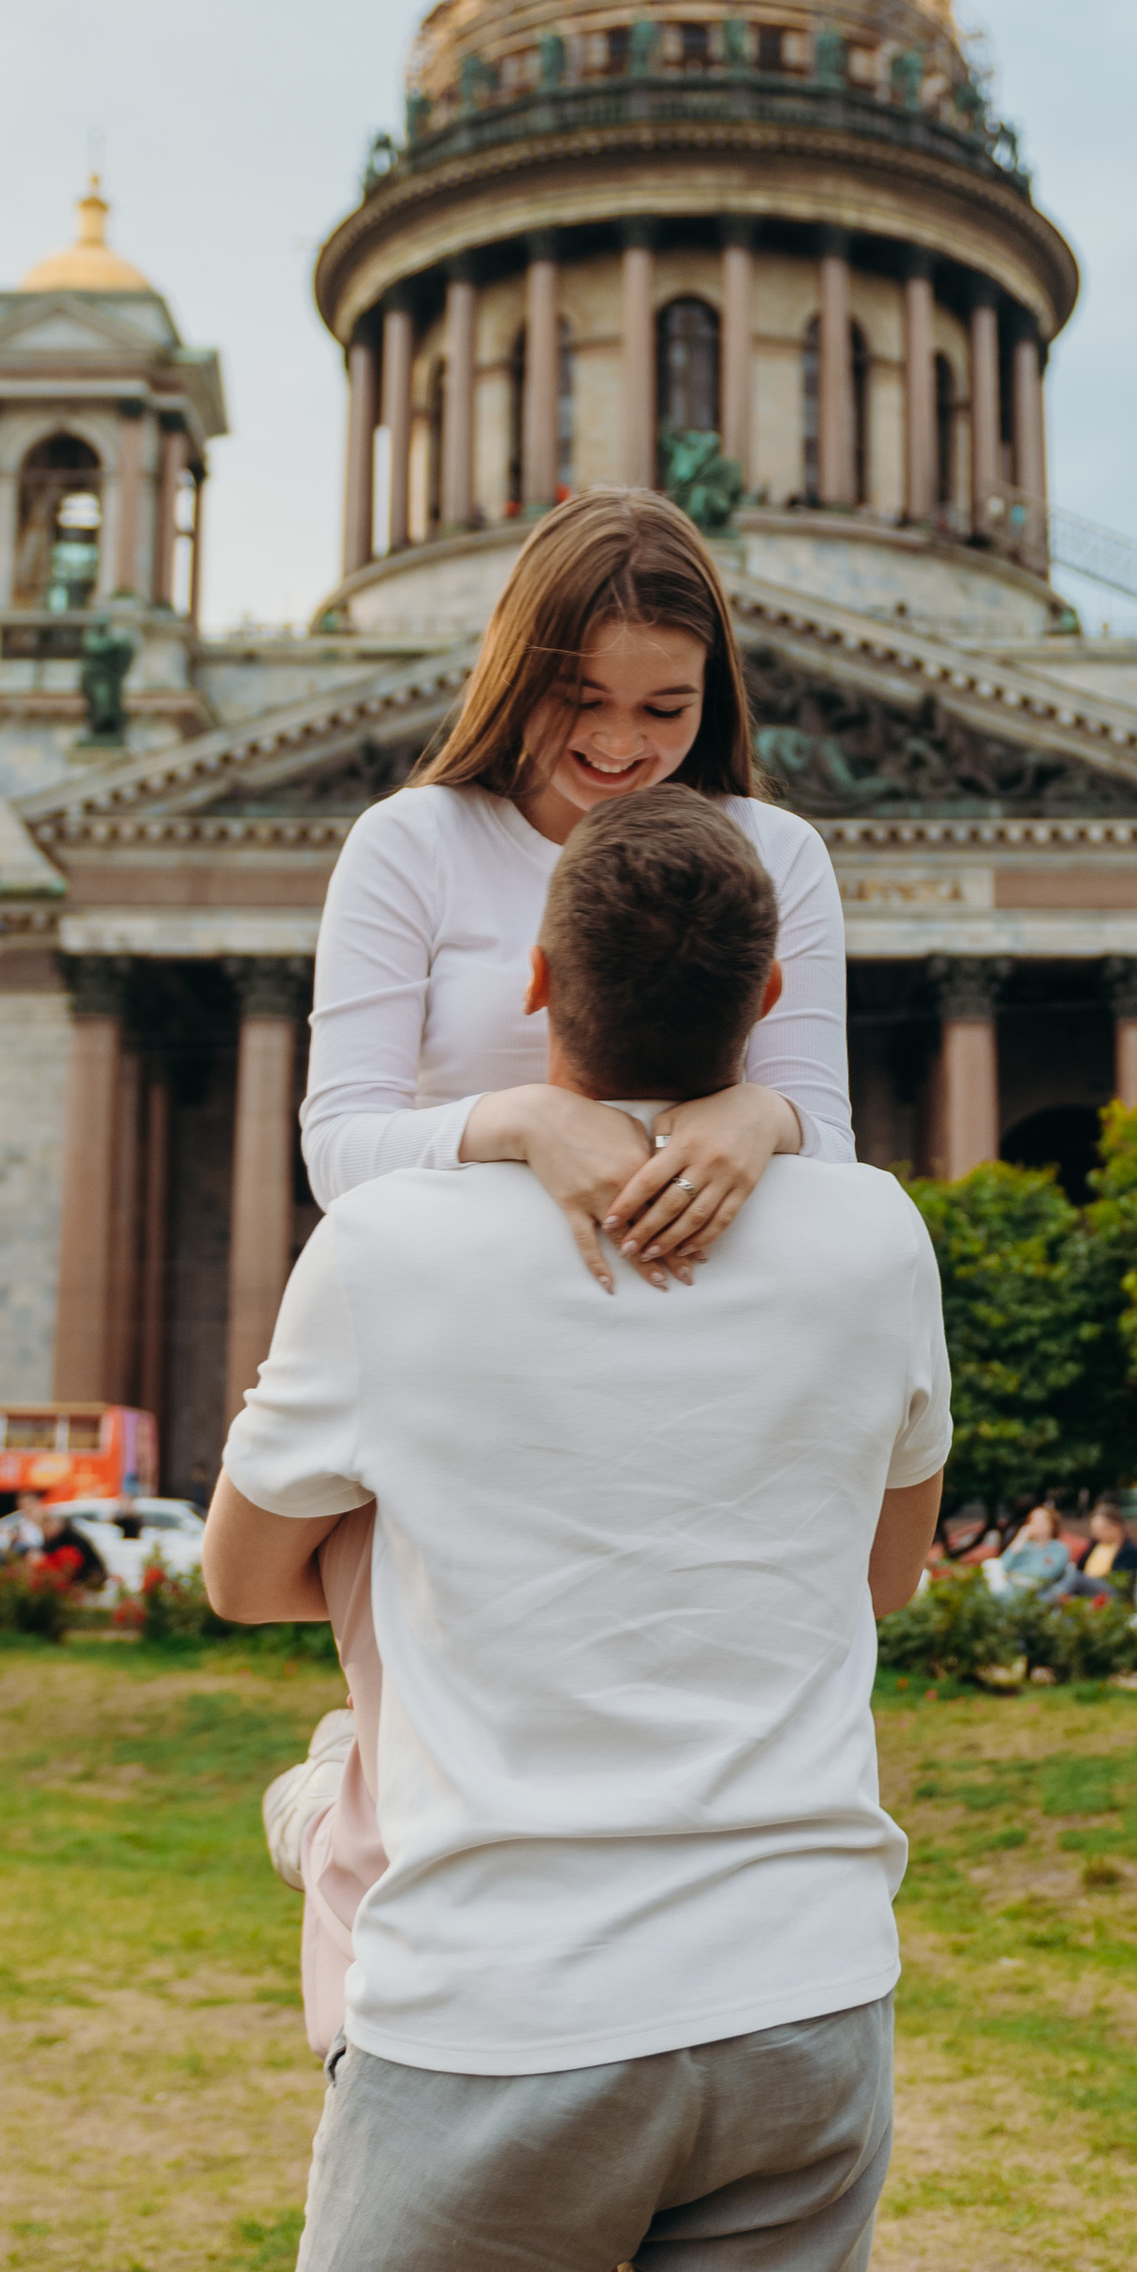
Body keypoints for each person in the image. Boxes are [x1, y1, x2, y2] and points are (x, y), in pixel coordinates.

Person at [188, 789, 950, 2272]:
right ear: (764, 1014)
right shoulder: (873, 1235)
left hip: (499, 2018)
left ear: (528, 991)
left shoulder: (398, 1251)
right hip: (798, 2017)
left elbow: (239, 1573)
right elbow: (884, 1576)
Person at [269, 484, 856, 2049]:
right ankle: (386, 2024)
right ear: (515, 668)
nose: (621, 743)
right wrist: (522, 1120)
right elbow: (338, 1145)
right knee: (439, 1811)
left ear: (714, 694)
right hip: (468, 1395)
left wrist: (755, 1110)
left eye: (668, 706)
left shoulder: (775, 848)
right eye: (580, 698)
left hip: (689, 1396)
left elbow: (832, 1140)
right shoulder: (410, 841)